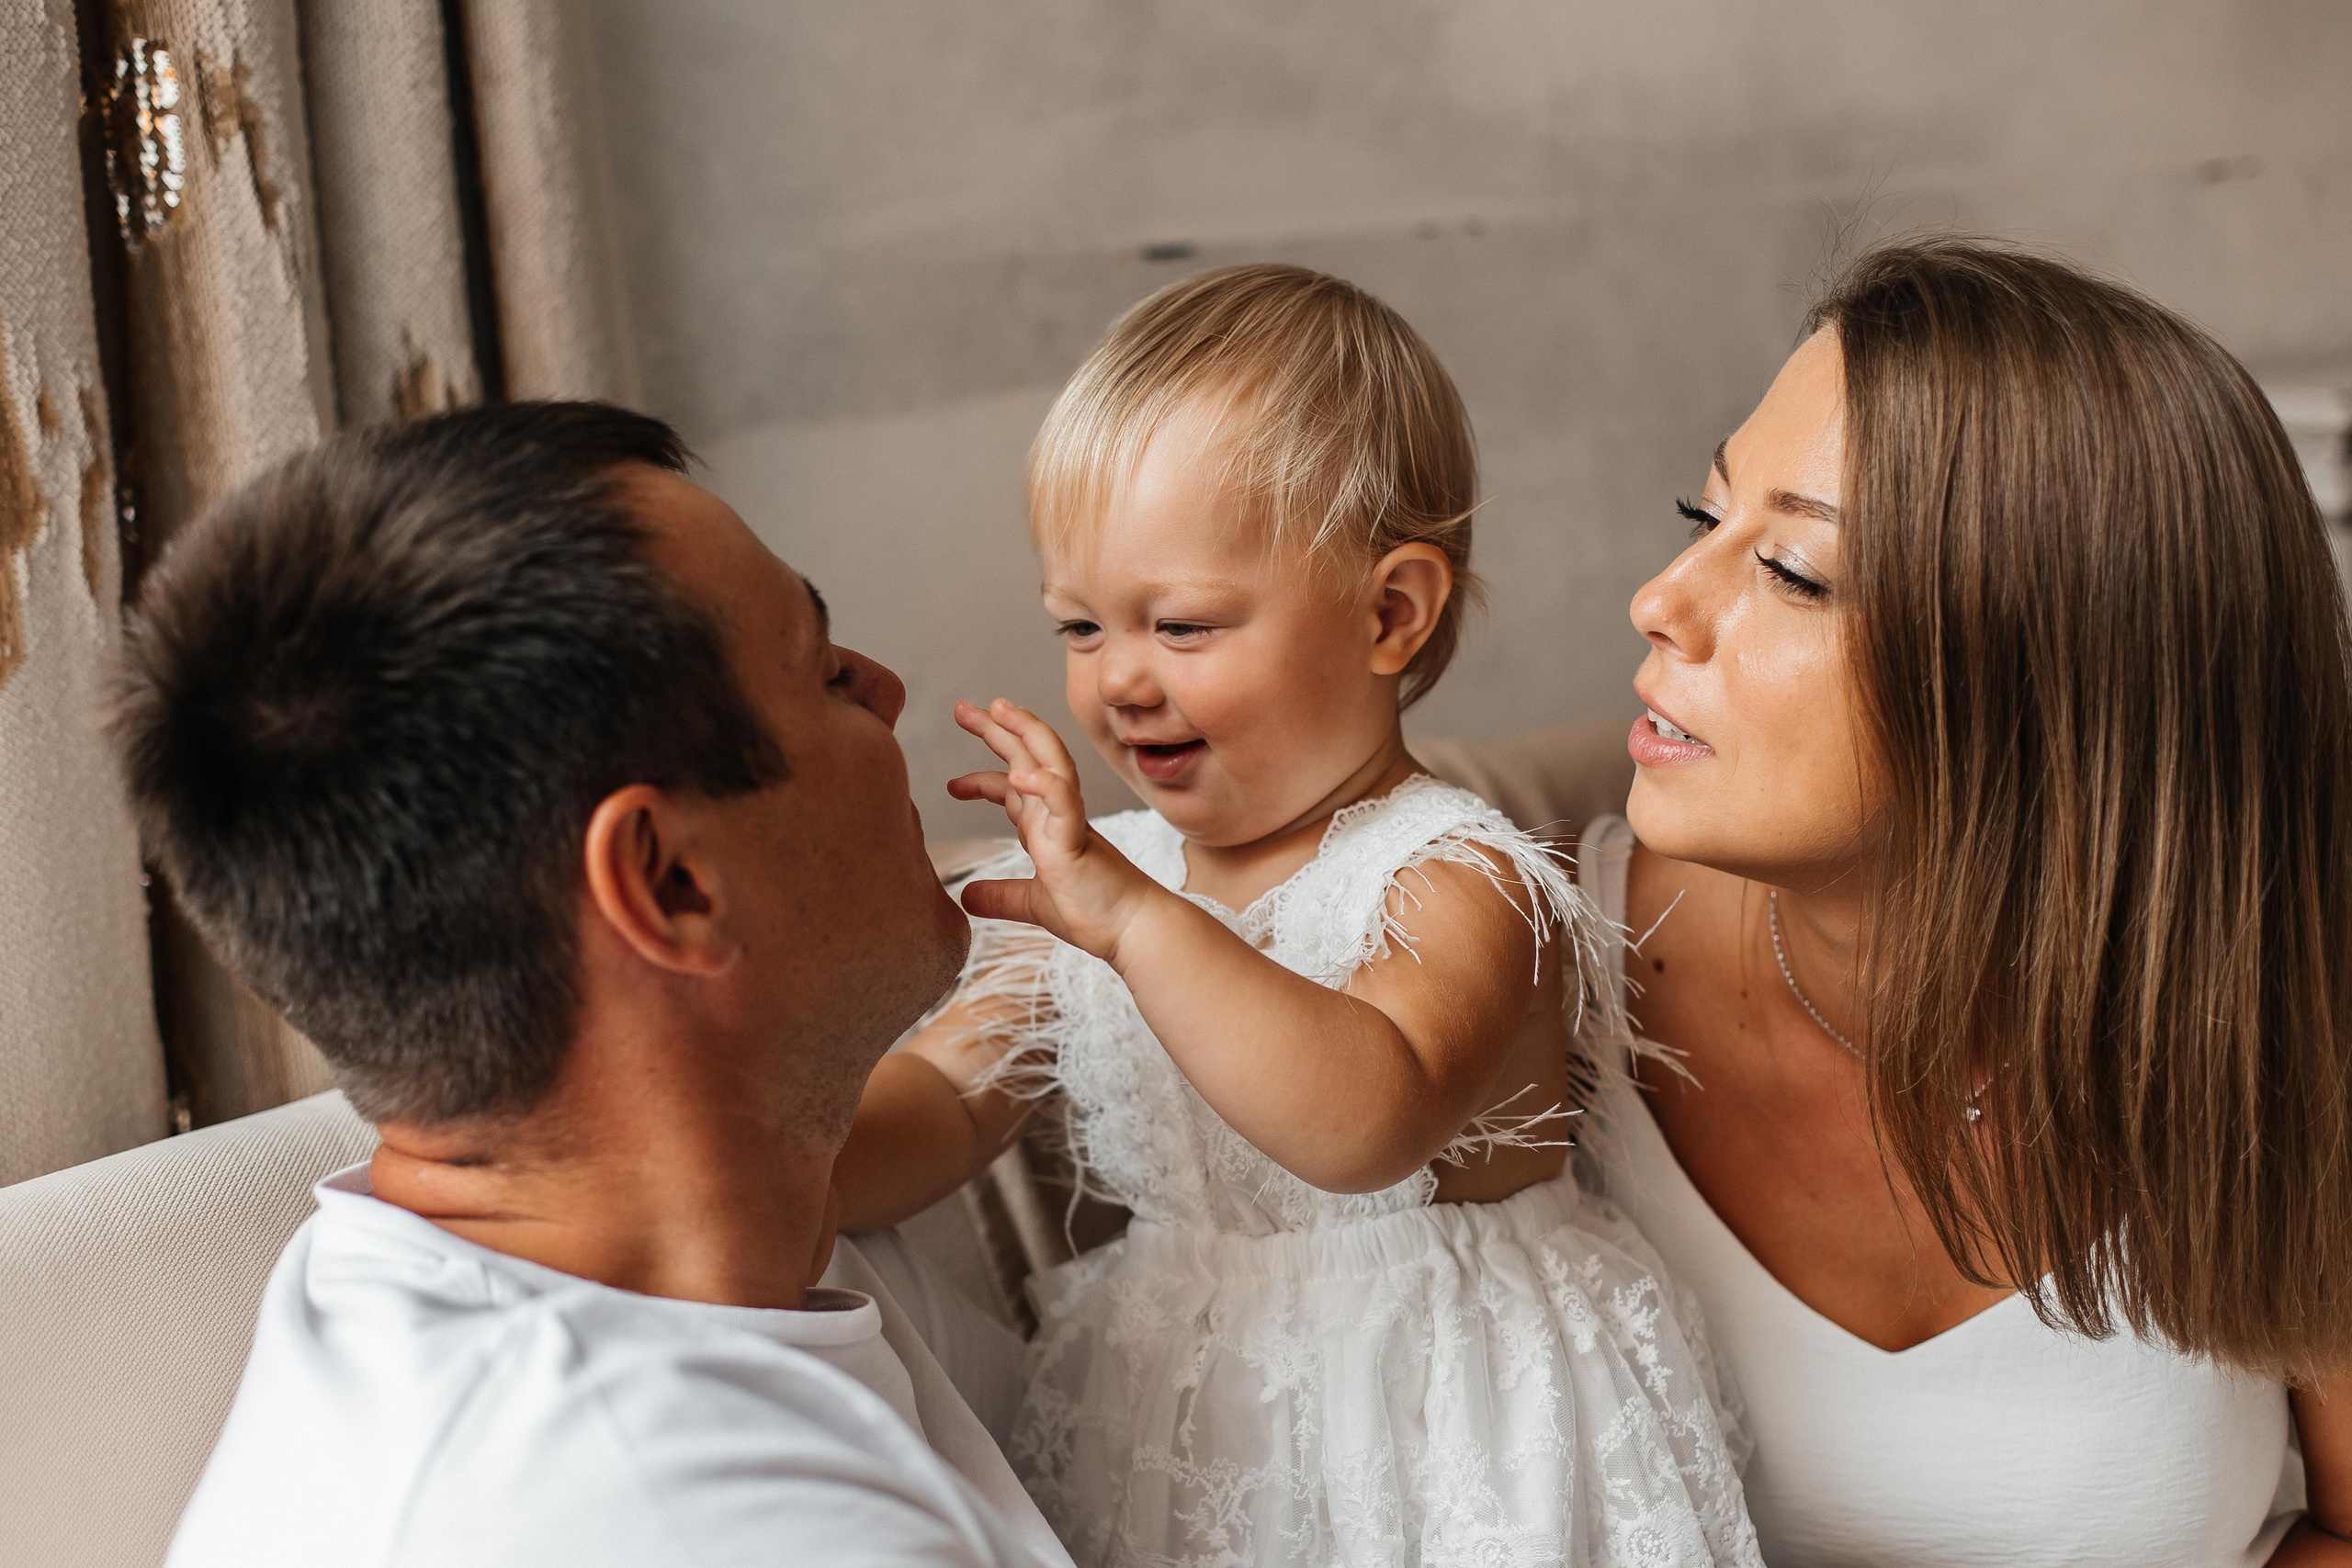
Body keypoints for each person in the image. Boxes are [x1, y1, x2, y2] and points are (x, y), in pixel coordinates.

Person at [830, 265, 1761, 1566]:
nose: (1120, 678)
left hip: (1454, 1444)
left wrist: (1136, 920)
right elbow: (935, 1101)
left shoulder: (1454, 874)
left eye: (1184, 623)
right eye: (1081, 624)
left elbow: (1363, 1118)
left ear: (1391, 613)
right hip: (1192, 1438)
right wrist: (750, 1163)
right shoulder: (1105, 882)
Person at [111, 402, 1072, 1568]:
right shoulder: (678, 1521)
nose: (886, 690)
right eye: (822, 672)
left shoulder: (691, 1209)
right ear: (670, 883)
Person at [1591, 238, 2352, 1565]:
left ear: (2053, 690)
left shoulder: (2298, 1040)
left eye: (1793, 573)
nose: (1662, 602)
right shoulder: (1520, 981)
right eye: (1704, 519)